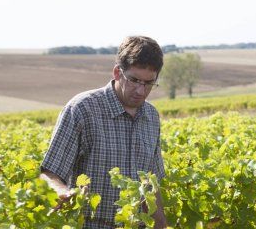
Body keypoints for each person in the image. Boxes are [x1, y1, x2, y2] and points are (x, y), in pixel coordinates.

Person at [40, 36, 167, 228]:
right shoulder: (82, 109)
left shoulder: (151, 116)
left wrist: (161, 225)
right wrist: (60, 191)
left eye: (149, 83)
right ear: (117, 72)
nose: (141, 90)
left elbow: (152, 185)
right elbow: (50, 172)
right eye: (134, 80)